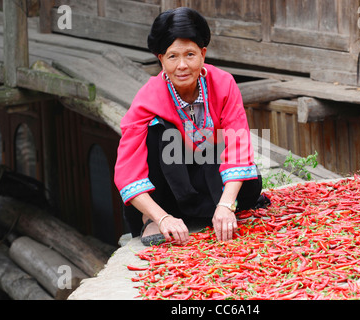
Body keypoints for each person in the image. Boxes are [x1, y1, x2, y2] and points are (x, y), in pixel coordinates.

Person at [114, 7, 268, 246]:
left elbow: (238, 146)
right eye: (172, 56)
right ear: (160, 59)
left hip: (210, 178)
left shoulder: (224, 84)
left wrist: (226, 205)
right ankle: (150, 218)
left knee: (244, 179)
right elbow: (127, 172)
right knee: (159, 132)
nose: (182, 65)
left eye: (190, 54)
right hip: (168, 189)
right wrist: (162, 217)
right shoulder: (147, 99)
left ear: (203, 53)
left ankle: (217, 206)